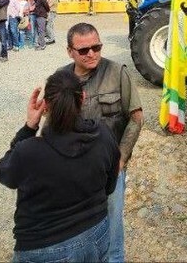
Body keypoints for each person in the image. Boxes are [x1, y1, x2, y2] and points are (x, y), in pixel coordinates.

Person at [0, 71, 119, 263]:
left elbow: (3, 173)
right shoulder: (103, 135)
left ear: (46, 105)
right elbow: (110, 186)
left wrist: (29, 127)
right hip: (97, 231)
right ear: (83, 98)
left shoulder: (29, 151)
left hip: (45, 245)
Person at [60, 23, 143, 262]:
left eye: (96, 47)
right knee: (79, 226)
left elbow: (136, 118)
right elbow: (54, 124)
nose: (91, 54)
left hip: (110, 168)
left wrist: (121, 159)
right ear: (70, 52)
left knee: (112, 224)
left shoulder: (117, 72)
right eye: (83, 50)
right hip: (74, 169)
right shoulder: (61, 79)